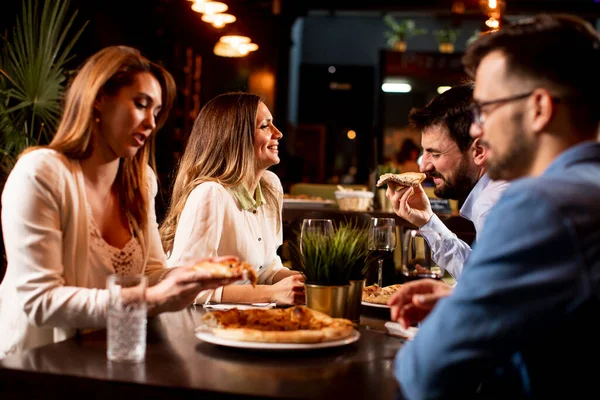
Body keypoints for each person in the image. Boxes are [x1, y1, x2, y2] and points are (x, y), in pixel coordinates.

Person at [392, 14, 600, 398]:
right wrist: (463, 299)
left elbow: (425, 372)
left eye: (486, 109)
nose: (476, 129)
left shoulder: (542, 203)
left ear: (538, 108)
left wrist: (458, 315)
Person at [0, 46, 240, 358]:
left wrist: (190, 277)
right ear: (99, 97)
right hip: (33, 364)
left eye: (157, 113)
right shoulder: (41, 173)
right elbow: (40, 302)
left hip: (108, 355)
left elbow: (152, 271)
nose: (151, 124)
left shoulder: (141, 182)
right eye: (141, 105)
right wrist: (152, 299)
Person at [160, 92, 304, 305]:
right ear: (236, 137)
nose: (279, 133)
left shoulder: (271, 186)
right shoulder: (210, 194)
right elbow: (190, 288)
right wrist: (272, 293)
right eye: (265, 126)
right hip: (204, 327)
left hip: (251, 322)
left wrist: (307, 282)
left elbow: (267, 268)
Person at [386, 83, 509, 280]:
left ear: (479, 151)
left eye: (434, 153)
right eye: (423, 152)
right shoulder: (498, 192)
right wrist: (427, 220)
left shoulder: (493, 205)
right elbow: (479, 276)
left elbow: (494, 300)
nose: (423, 167)